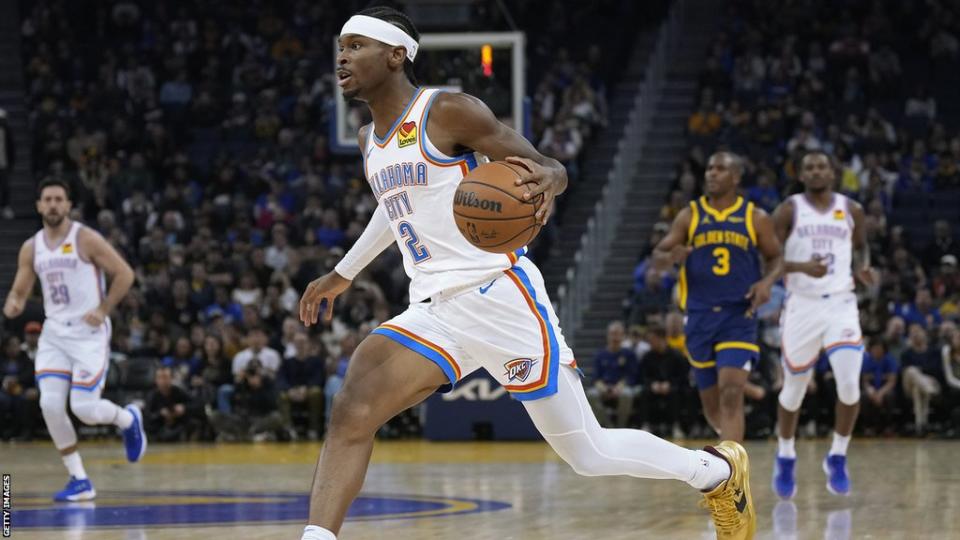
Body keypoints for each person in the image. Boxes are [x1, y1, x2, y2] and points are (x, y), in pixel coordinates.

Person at [297, 8, 755, 540]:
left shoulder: (446, 110)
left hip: (498, 296)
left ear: (396, 54)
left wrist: (553, 182)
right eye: (341, 46)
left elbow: (546, 167)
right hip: (434, 309)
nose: (342, 56)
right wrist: (342, 272)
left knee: (588, 452)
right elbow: (393, 205)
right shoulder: (367, 139)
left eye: (356, 45)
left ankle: (716, 472)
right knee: (353, 408)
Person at [2, 179, 146, 501]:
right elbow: (20, 289)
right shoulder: (32, 247)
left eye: (59, 199)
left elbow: (125, 274)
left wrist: (104, 308)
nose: (53, 205)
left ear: (67, 205)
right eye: (47, 199)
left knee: (83, 408)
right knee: (50, 405)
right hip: (54, 334)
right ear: (39, 205)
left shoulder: (86, 238)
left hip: (88, 333)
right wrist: (14, 303)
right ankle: (79, 479)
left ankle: (128, 418)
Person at [654, 151, 783, 443]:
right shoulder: (690, 215)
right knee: (712, 407)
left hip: (739, 314)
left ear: (736, 177)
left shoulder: (755, 217)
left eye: (721, 169)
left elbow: (776, 258)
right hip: (699, 315)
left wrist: (767, 284)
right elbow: (658, 256)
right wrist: (669, 257)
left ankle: (734, 473)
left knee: (731, 392)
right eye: (710, 168)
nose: (712, 173)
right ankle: (729, 449)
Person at [770, 151, 874, 498]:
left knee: (849, 386)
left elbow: (861, 249)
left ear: (833, 172)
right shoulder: (789, 209)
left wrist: (862, 267)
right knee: (793, 391)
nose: (816, 171)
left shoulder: (852, 210)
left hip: (841, 305)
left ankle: (837, 456)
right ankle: (786, 456)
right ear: (801, 174)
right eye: (809, 167)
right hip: (801, 306)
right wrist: (800, 267)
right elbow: (766, 257)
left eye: (822, 166)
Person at [586, 321, 640, 428]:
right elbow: (596, 377)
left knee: (627, 394)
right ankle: (608, 426)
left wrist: (619, 388)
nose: (615, 337)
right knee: (591, 394)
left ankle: (621, 426)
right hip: (604, 387)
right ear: (608, 336)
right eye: (612, 334)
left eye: (618, 334)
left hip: (622, 388)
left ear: (623, 336)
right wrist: (603, 389)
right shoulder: (600, 355)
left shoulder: (629, 354)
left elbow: (632, 376)